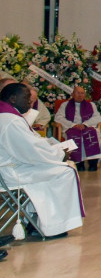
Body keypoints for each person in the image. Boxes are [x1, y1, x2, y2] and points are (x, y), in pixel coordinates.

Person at [0, 82, 84, 238]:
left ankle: (36, 220)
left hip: (11, 167)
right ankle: (53, 226)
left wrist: (52, 149)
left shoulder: (7, 116)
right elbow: (31, 151)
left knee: (53, 169)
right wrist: (59, 154)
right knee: (65, 171)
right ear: (12, 98)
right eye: (26, 98)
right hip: (10, 172)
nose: (30, 103)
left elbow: (29, 144)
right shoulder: (11, 120)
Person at [54, 85, 101, 171]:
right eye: (78, 93)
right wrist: (72, 125)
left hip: (86, 127)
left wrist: (85, 124)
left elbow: (97, 117)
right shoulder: (65, 105)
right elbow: (58, 118)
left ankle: (93, 162)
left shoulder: (91, 105)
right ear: (72, 94)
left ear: (85, 95)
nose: (80, 95)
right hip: (71, 128)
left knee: (93, 133)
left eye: (82, 93)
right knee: (75, 136)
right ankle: (79, 163)